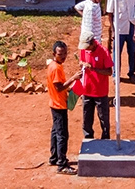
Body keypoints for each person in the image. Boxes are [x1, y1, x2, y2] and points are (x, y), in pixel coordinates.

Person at [46, 41, 83, 175]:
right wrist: (74, 78)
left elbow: (59, 86)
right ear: (54, 54)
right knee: (62, 135)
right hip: (59, 105)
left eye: (65, 53)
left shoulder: (53, 65)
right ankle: (61, 165)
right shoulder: (56, 68)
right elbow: (59, 87)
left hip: (55, 103)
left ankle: (54, 158)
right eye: (60, 54)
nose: (63, 56)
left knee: (55, 132)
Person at [77, 36, 112, 140]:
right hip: (86, 90)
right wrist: (82, 64)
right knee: (86, 118)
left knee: (103, 118)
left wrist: (94, 69)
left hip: (100, 92)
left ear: (92, 43)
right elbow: (81, 62)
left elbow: (109, 72)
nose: (86, 49)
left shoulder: (104, 51)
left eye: (87, 47)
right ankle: (88, 138)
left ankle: (105, 139)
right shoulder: (84, 49)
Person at [105, 0, 135, 79]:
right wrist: (113, 30)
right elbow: (110, 13)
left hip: (131, 24)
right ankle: (116, 73)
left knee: (132, 51)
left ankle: (131, 72)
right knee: (117, 52)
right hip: (119, 26)